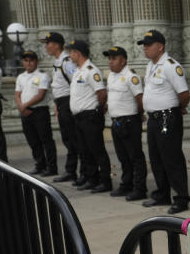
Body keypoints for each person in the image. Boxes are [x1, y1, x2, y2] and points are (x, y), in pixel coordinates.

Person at [138, 29, 190, 214]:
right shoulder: (151, 65)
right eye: (143, 45)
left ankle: (181, 198)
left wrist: (179, 108)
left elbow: (184, 94)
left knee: (172, 158)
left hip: (167, 117)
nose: (145, 48)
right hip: (154, 119)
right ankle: (162, 193)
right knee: (156, 158)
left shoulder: (170, 65)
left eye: (148, 45)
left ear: (160, 47)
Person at [103, 45, 147, 201]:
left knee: (135, 156)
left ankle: (139, 188)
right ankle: (126, 184)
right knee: (123, 157)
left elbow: (139, 99)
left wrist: (140, 114)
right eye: (109, 59)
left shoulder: (130, 76)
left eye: (114, 58)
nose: (110, 62)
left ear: (123, 60)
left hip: (129, 121)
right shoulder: (111, 76)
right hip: (116, 122)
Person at [67, 39, 111, 193]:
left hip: (90, 116)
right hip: (79, 117)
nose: (70, 56)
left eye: (71, 52)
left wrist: (98, 110)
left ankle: (105, 181)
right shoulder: (78, 70)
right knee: (85, 151)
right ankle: (92, 179)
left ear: (77, 53)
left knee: (97, 150)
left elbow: (101, 93)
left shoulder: (91, 70)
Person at [41, 31, 85, 184]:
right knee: (68, 139)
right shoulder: (58, 62)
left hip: (68, 102)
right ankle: (71, 170)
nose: (46, 47)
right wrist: (56, 105)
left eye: (48, 43)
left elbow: (75, 83)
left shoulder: (66, 61)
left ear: (57, 45)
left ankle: (83, 172)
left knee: (74, 139)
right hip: (61, 103)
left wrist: (70, 105)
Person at [14, 50, 57, 175]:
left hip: (39, 111)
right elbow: (17, 94)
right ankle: (40, 165)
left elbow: (41, 95)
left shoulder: (42, 76)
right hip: (25, 112)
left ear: (37, 62)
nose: (29, 63)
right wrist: (22, 107)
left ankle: (51, 167)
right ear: (23, 62)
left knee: (46, 140)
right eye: (26, 61)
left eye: (31, 60)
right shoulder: (21, 77)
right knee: (33, 140)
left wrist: (24, 106)